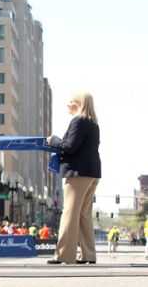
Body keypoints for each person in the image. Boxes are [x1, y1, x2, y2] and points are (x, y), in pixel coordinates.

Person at [47, 91, 101, 265]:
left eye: (70, 101)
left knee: (69, 213)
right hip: (92, 173)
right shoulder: (93, 123)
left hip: (78, 173)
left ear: (78, 103)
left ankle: (63, 255)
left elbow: (69, 147)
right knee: (84, 214)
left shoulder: (78, 121)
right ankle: (88, 255)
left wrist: (53, 140)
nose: (67, 104)